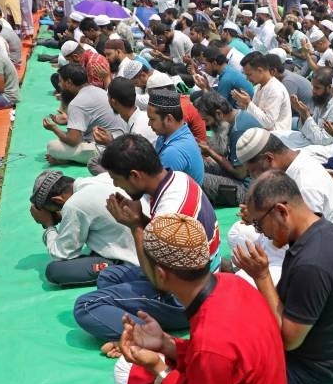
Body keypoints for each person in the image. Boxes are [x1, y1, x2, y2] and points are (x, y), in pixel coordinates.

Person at [74, 214, 287, 384]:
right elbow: (223, 361)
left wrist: (159, 371)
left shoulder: (213, 339)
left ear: (160, 274)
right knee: (127, 367)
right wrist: (165, 344)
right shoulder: (231, 283)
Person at [74, 135, 220, 343]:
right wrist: (140, 218)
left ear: (134, 176)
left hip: (187, 298)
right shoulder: (178, 178)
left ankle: (158, 339)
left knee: (86, 306)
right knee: (109, 276)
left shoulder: (169, 214)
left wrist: (134, 226)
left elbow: (159, 280)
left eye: (117, 179)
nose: (116, 185)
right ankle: (141, 321)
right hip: (198, 276)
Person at [232, 171, 333, 384]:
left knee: (222, 372)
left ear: (281, 211)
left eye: (259, 225)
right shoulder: (317, 230)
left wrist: (261, 276)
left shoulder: (313, 263)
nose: (262, 234)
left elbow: (287, 341)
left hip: (311, 371)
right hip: (310, 350)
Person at [228, 129, 333, 285]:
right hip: (289, 238)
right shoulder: (293, 163)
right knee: (237, 233)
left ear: (269, 159)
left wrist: (259, 223)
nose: (253, 178)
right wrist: (257, 219)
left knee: (244, 282)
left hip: (318, 257)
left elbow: (303, 241)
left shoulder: (307, 185)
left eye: (253, 172)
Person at [29, 170, 138, 286]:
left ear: (58, 200)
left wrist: (48, 225)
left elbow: (61, 254)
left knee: (54, 270)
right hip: (146, 244)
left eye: (56, 210)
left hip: (132, 261)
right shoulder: (103, 178)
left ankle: (116, 269)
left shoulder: (73, 205)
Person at [45, 64, 124, 165]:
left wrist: (53, 128)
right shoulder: (98, 90)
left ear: (69, 82)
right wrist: (68, 120)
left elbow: (73, 140)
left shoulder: (77, 103)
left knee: (52, 146)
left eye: (61, 81)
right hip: (120, 141)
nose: (59, 85)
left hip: (107, 148)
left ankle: (68, 158)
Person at [193, 91, 263, 206]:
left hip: (249, 190)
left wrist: (210, 152)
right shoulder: (240, 115)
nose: (207, 124)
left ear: (219, 114)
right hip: (248, 177)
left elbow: (240, 174)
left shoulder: (238, 131)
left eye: (206, 120)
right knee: (198, 166)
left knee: (196, 177)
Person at [87, 78, 158, 175]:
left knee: (94, 163)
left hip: (142, 172)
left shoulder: (137, 129)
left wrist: (110, 144)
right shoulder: (141, 116)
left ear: (113, 101)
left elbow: (132, 165)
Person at [147, 90, 205, 186]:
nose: (149, 124)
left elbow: (157, 189)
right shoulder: (167, 135)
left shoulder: (174, 152)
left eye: (152, 119)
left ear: (169, 119)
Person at [233, 52, 291, 132]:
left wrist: (249, 103)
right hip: (262, 131)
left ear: (260, 70)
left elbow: (268, 123)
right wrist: (246, 105)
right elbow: (257, 113)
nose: (247, 78)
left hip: (277, 136)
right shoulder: (259, 86)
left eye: (249, 74)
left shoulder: (275, 89)